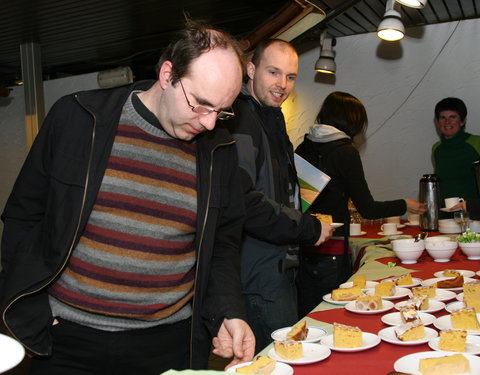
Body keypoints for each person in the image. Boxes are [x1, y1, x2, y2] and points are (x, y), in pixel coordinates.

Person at [0, 22, 255, 374]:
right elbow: (23, 215)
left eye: (222, 111)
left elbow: (223, 245)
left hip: (165, 345)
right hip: (67, 341)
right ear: (167, 74)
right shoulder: (78, 117)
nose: (210, 123)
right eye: (200, 105)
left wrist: (229, 310)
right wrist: (32, 307)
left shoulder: (218, 150)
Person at [226, 39, 333, 352]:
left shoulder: (269, 117)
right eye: (274, 72)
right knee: (284, 361)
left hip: (276, 267)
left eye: (290, 77)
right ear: (251, 69)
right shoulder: (243, 118)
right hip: (259, 276)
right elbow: (244, 201)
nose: (282, 84)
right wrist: (307, 227)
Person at [295, 91, 426, 317]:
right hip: (331, 249)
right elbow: (368, 209)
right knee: (334, 315)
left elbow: (303, 201)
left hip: (302, 246)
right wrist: (404, 204)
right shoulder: (345, 152)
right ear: (353, 121)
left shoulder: (302, 148)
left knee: (308, 316)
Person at [432, 97, 480, 202]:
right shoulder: (436, 149)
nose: (447, 122)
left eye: (452, 117)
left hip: (473, 212)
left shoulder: (477, 143)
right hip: (445, 213)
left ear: (463, 121)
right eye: (442, 117)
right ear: (437, 122)